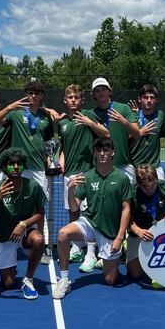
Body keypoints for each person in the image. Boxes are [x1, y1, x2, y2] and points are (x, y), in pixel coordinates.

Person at [53, 138, 132, 300]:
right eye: (99, 151)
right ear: (95, 153)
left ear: (112, 152)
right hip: (89, 222)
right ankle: (64, 279)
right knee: (62, 234)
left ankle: (115, 258)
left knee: (110, 280)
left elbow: (126, 209)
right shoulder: (87, 176)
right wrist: (70, 189)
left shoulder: (122, 178)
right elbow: (75, 208)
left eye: (106, 150)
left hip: (110, 230)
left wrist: (119, 237)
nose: (102, 153)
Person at [0, 79, 54, 263]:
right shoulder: (16, 113)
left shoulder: (45, 117)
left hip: (39, 168)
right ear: (26, 94)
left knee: (39, 207)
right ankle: (4, 242)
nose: (32, 96)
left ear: (41, 96)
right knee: (9, 203)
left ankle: (39, 245)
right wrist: (9, 107)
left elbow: (48, 143)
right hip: (17, 168)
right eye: (30, 93)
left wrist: (51, 161)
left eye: (36, 93)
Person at [0, 148, 46, 300]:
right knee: (9, 284)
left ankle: (28, 279)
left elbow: (40, 213)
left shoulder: (33, 186)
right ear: (4, 167)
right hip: (4, 235)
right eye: (11, 164)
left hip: (25, 232)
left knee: (38, 239)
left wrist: (23, 224)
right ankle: (11, 268)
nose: (16, 167)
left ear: (23, 166)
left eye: (19, 164)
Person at [58, 84, 109, 267]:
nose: (73, 100)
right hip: (69, 175)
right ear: (65, 100)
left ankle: (91, 254)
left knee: (88, 214)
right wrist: (61, 158)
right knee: (72, 211)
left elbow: (106, 133)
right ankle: (76, 248)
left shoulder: (90, 115)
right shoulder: (62, 123)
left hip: (87, 174)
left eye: (76, 97)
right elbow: (63, 146)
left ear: (82, 100)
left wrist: (89, 123)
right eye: (70, 97)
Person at [126, 164, 165, 284]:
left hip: (162, 230)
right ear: (138, 184)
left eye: (152, 187)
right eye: (144, 188)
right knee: (135, 274)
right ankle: (126, 247)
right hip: (140, 232)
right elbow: (126, 219)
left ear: (156, 180)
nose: (149, 190)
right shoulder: (132, 192)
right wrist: (138, 231)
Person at [90, 77, 141, 184]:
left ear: (109, 91)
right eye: (97, 90)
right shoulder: (91, 114)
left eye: (103, 89)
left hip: (124, 165)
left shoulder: (123, 108)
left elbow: (137, 134)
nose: (101, 93)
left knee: (128, 199)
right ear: (93, 95)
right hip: (101, 167)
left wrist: (123, 121)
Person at [128, 84, 165, 181]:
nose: (149, 100)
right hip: (135, 166)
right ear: (139, 99)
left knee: (158, 193)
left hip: (155, 167)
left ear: (156, 100)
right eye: (145, 97)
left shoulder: (160, 115)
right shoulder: (132, 116)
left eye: (152, 97)